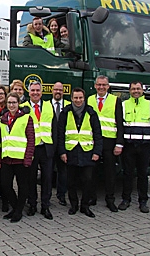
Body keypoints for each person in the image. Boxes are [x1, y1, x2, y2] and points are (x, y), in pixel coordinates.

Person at [58, 87, 103, 218]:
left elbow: (98, 135)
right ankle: (74, 205)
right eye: (76, 98)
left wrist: (97, 152)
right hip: (70, 151)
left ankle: (85, 206)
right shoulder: (65, 113)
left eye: (80, 98)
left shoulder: (91, 113)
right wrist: (62, 152)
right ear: (71, 98)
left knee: (88, 180)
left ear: (84, 98)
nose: (78, 100)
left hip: (87, 151)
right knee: (71, 181)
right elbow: (60, 135)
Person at [118, 81, 150, 213]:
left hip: (144, 146)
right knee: (127, 174)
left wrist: (148, 136)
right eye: (133, 89)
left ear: (142, 90)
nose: (136, 91)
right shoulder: (123, 105)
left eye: (138, 89)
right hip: (129, 146)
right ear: (129, 91)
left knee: (143, 174)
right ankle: (126, 199)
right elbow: (120, 124)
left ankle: (143, 201)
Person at [0, 92, 35, 223]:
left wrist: (28, 158)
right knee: (5, 185)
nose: (11, 105)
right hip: (6, 158)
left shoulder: (26, 118)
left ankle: (18, 211)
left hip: (21, 159)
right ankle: (16, 207)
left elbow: (31, 140)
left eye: (14, 102)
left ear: (18, 104)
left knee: (23, 186)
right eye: (9, 103)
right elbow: (1, 141)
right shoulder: (3, 119)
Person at [87, 75, 124, 212]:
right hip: (93, 141)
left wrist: (119, 143)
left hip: (110, 141)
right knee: (92, 171)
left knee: (110, 172)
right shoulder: (90, 99)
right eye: (99, 85)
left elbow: (120, 123)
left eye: (104, 85)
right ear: (95, 86)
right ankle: (92, 197)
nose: (101, 87)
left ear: (108, 86)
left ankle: (110, 199)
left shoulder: (115, 100)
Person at [22, 81, 56, 220]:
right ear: (28, 92)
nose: (35, 93)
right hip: (31, 148)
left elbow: (55, 127)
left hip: (46, 147)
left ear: (41, 92)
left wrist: (54, 147)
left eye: (37, 90)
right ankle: (32, 205)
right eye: (32, 90)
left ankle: (45, 206)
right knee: (31, 178)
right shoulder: (23, 107)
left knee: (47, 178)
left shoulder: (49, 105)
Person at [51, 82, 70, 207]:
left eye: (60, 90)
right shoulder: (46, 105)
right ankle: (46, 196)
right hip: (50, 143)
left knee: (63, 171)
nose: (58, 92)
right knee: (48, 171)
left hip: (63, 143)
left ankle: (61, 195)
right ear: (52, 90)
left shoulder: (69, 105)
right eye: (56, 89)